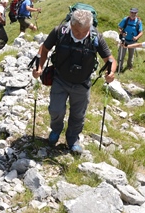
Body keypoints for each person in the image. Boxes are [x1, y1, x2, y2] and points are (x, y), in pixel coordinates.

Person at [32, 9, 117, 153]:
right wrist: (39, 67)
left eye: (85, 32)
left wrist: (111, 72)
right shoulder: (60, 31)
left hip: (82, 83)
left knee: (78, 115)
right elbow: (44, 48)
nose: (80, 35)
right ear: (70, 25)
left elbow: (110, 59)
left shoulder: (96, 37)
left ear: (90, 27)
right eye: (77, 31)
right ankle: (55, 131)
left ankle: (72, 139)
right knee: (55, 110)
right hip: (60, 79)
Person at [117, 7, 143, 72]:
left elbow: (141, 32)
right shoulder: (125, 19)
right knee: (121, 54)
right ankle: (120, 66)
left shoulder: (139, 22)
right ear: (130, 12)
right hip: (124, 40)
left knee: (131, 55)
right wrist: (122, 33)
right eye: (132, 12)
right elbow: (120, 27)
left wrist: (136, 37)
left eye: (135, 13)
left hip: (132, 42)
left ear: (137, 13)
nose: (133, 14)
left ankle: (129, 65)